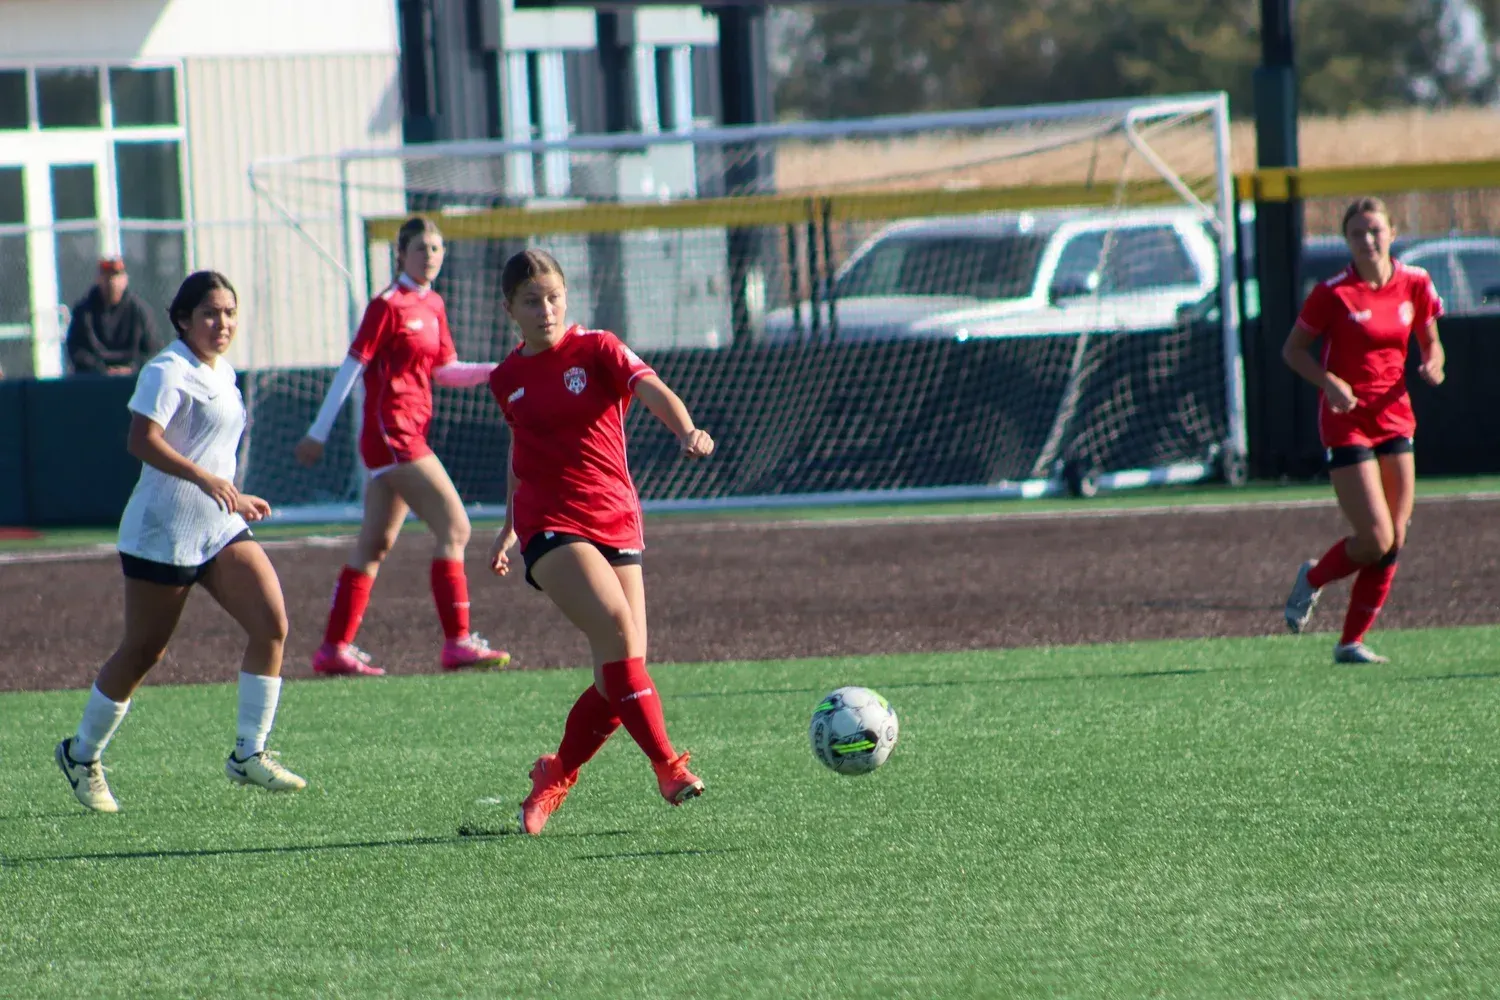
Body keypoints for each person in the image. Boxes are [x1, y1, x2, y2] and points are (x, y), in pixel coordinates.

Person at [55, 271, 305, 813]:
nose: (223, 323)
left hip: (218, 527)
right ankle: (81, 754)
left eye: (230, 313)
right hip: (161, 533)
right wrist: (210, 482)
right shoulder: (166, 370)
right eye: (211, 313)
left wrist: (232, 493)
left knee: (272, 623)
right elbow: (140, 440)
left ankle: (248, 752)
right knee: (146, 651)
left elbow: (212, 451)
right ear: (184, 319)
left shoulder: (224, 370)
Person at [486, 249, 714, 836]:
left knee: (622, 674)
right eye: (532, 301)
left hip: (616, 519)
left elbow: (653, 388)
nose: (546, 309)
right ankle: (667, 765)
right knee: (615, 629)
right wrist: (511, 527)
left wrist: (686, 428)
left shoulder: (598, 348)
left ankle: (554, 776)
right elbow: (521, 458)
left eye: (554, 296)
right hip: (550, 523)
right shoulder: (506, 379)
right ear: (509, 308)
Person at [295, 216, 509, 677]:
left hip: (408, 434)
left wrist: (496, 369)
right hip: (393, 435)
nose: (430, 255)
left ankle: (333, 649)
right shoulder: (387, 305)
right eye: (421, 248)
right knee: (456, 527)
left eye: (437, 248)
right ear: (401, 254)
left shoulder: (433, 303)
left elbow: (445, 370)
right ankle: (458, 642)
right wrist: (319, 430)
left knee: (375, 544)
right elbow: (353, 367)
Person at [1281, 196, 1446, 664]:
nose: (1368, 240)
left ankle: (1350, 641)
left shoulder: (1416, 282)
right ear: (1346, 241)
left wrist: (1433, 364)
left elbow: (1432, 344)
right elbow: (1293, 351)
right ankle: (1313, 579)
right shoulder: (1333, 293)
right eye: (1357, 233)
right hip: (1347, 420)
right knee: (1374, 537)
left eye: (1375, 230)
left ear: (1392, 232)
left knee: (1397, 535)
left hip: (1395, 417)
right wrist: (1329, 382)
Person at [66, 256, 162, 375]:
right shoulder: (83, 312)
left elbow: (153, 351)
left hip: (135, 382)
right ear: (98, 279)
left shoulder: (139, 311)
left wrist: (132, 369)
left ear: (125, 280)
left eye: (116, 276)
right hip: (93, 383)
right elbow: (76, 351)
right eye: (106, 276)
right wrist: (102, 370)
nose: (111, 281)